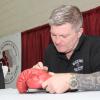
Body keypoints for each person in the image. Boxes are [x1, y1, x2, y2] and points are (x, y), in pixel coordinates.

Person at [33, 5, 100, 93]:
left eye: (63, 36)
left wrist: (71, 81)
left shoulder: (96, 45)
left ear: (79, 32)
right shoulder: (50, 51)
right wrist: (38, 76)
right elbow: (47, 85)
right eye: (53, 35)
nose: (57, 41)